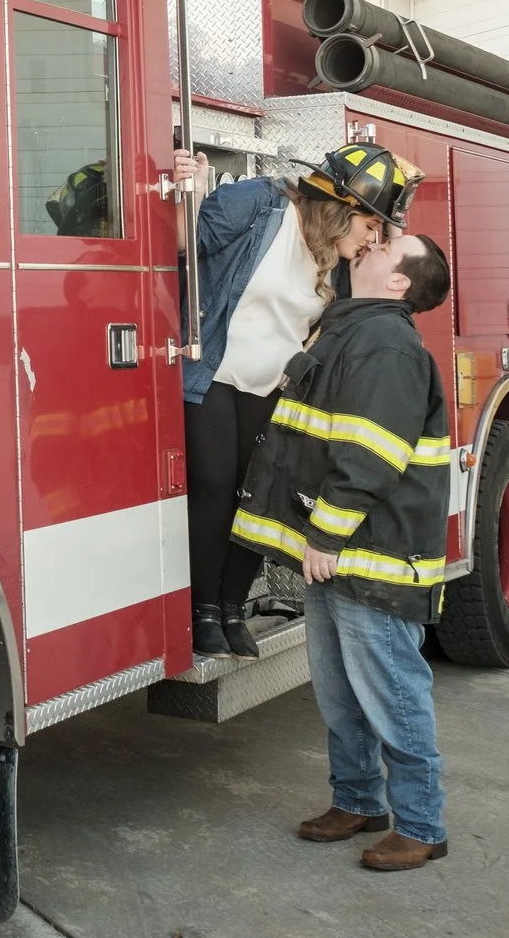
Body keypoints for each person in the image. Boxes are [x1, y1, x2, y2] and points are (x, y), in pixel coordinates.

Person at [232, 223, 455, 873]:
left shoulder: (386, 343)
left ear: (399, 282)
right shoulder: (349, 328)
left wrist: (327, 533)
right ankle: (357, 799)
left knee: (391, 692)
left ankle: (421, 824)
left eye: (390, 246)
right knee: (340, 692)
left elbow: (370, 453)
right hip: (339, 553)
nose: (375, 240)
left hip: (369, 554)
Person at [170, 141, 397, 657]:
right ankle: (203, 612)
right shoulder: (260, 203)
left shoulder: (340, 261)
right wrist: (192, 192)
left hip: (273, 387)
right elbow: (186, 245)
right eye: (370, 224)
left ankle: (232, 610)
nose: (373, 238)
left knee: (255, 499)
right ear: (341, 208)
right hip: (212, 374)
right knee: (213, 487)